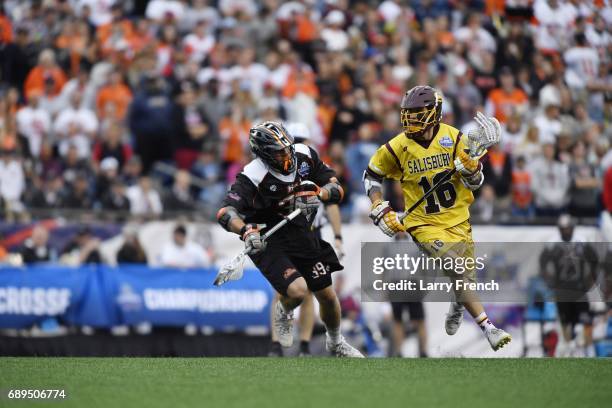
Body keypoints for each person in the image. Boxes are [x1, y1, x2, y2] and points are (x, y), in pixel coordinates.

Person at [363, 85, 511, 351]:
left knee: (463, 280)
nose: (410, 119)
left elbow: (476, 182)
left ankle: (457, 304)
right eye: (408, 113)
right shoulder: (397, 146)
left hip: (459, 221)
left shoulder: (454, 139)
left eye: (418, 113)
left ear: (434, 113)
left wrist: (471, 170)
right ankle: (489, 328)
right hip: (423, 224)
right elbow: (371, 175)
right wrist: (379, 206)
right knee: (456, 268)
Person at [216, 121, 363, 357]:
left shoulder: (304, 154)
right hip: (267, 239)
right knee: (297, 291)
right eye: (279, 153)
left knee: (327, 295)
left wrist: (319, 193)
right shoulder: (253, 175)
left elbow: (336, 189)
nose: (287, 155)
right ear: (264, 154)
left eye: (287, 148)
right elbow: (225, 212)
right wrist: (245, 231)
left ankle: (335, 342)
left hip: (301, 231)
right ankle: (283, 311)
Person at [539, 215, 598, 357]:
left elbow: (594, 260)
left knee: (585, 320)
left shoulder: (581, 241)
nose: (566, 231)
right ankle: (569, 348)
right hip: (562, 290)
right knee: (566, 322)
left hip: (580, 288)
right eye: (563, 229)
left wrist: (591, 279)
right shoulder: (553, 243)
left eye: (568, 228)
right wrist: (549, 280)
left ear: (572, 227)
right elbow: (542, 262)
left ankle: (589, 348)